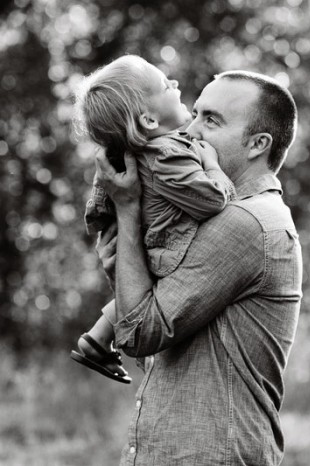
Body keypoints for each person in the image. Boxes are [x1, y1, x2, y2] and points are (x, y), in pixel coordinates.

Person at [93, 70, 302, 465]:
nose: (190, 130)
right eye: (195, 113)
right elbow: (161, 351)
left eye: (212, 120)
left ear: (258, 144)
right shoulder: (202, 218)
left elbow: (138, 334)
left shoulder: (246, 223)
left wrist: (126, 208)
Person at [70, 55, 234, 383]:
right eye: (166, 85)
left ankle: (97, 339)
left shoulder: (141, 155)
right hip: (168, 253)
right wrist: (213, 165)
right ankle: (102, 341)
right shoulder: (167, 155)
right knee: (157, 299)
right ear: (148, 119)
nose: (175, 83)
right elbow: (212, 199)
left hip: (151, 248)